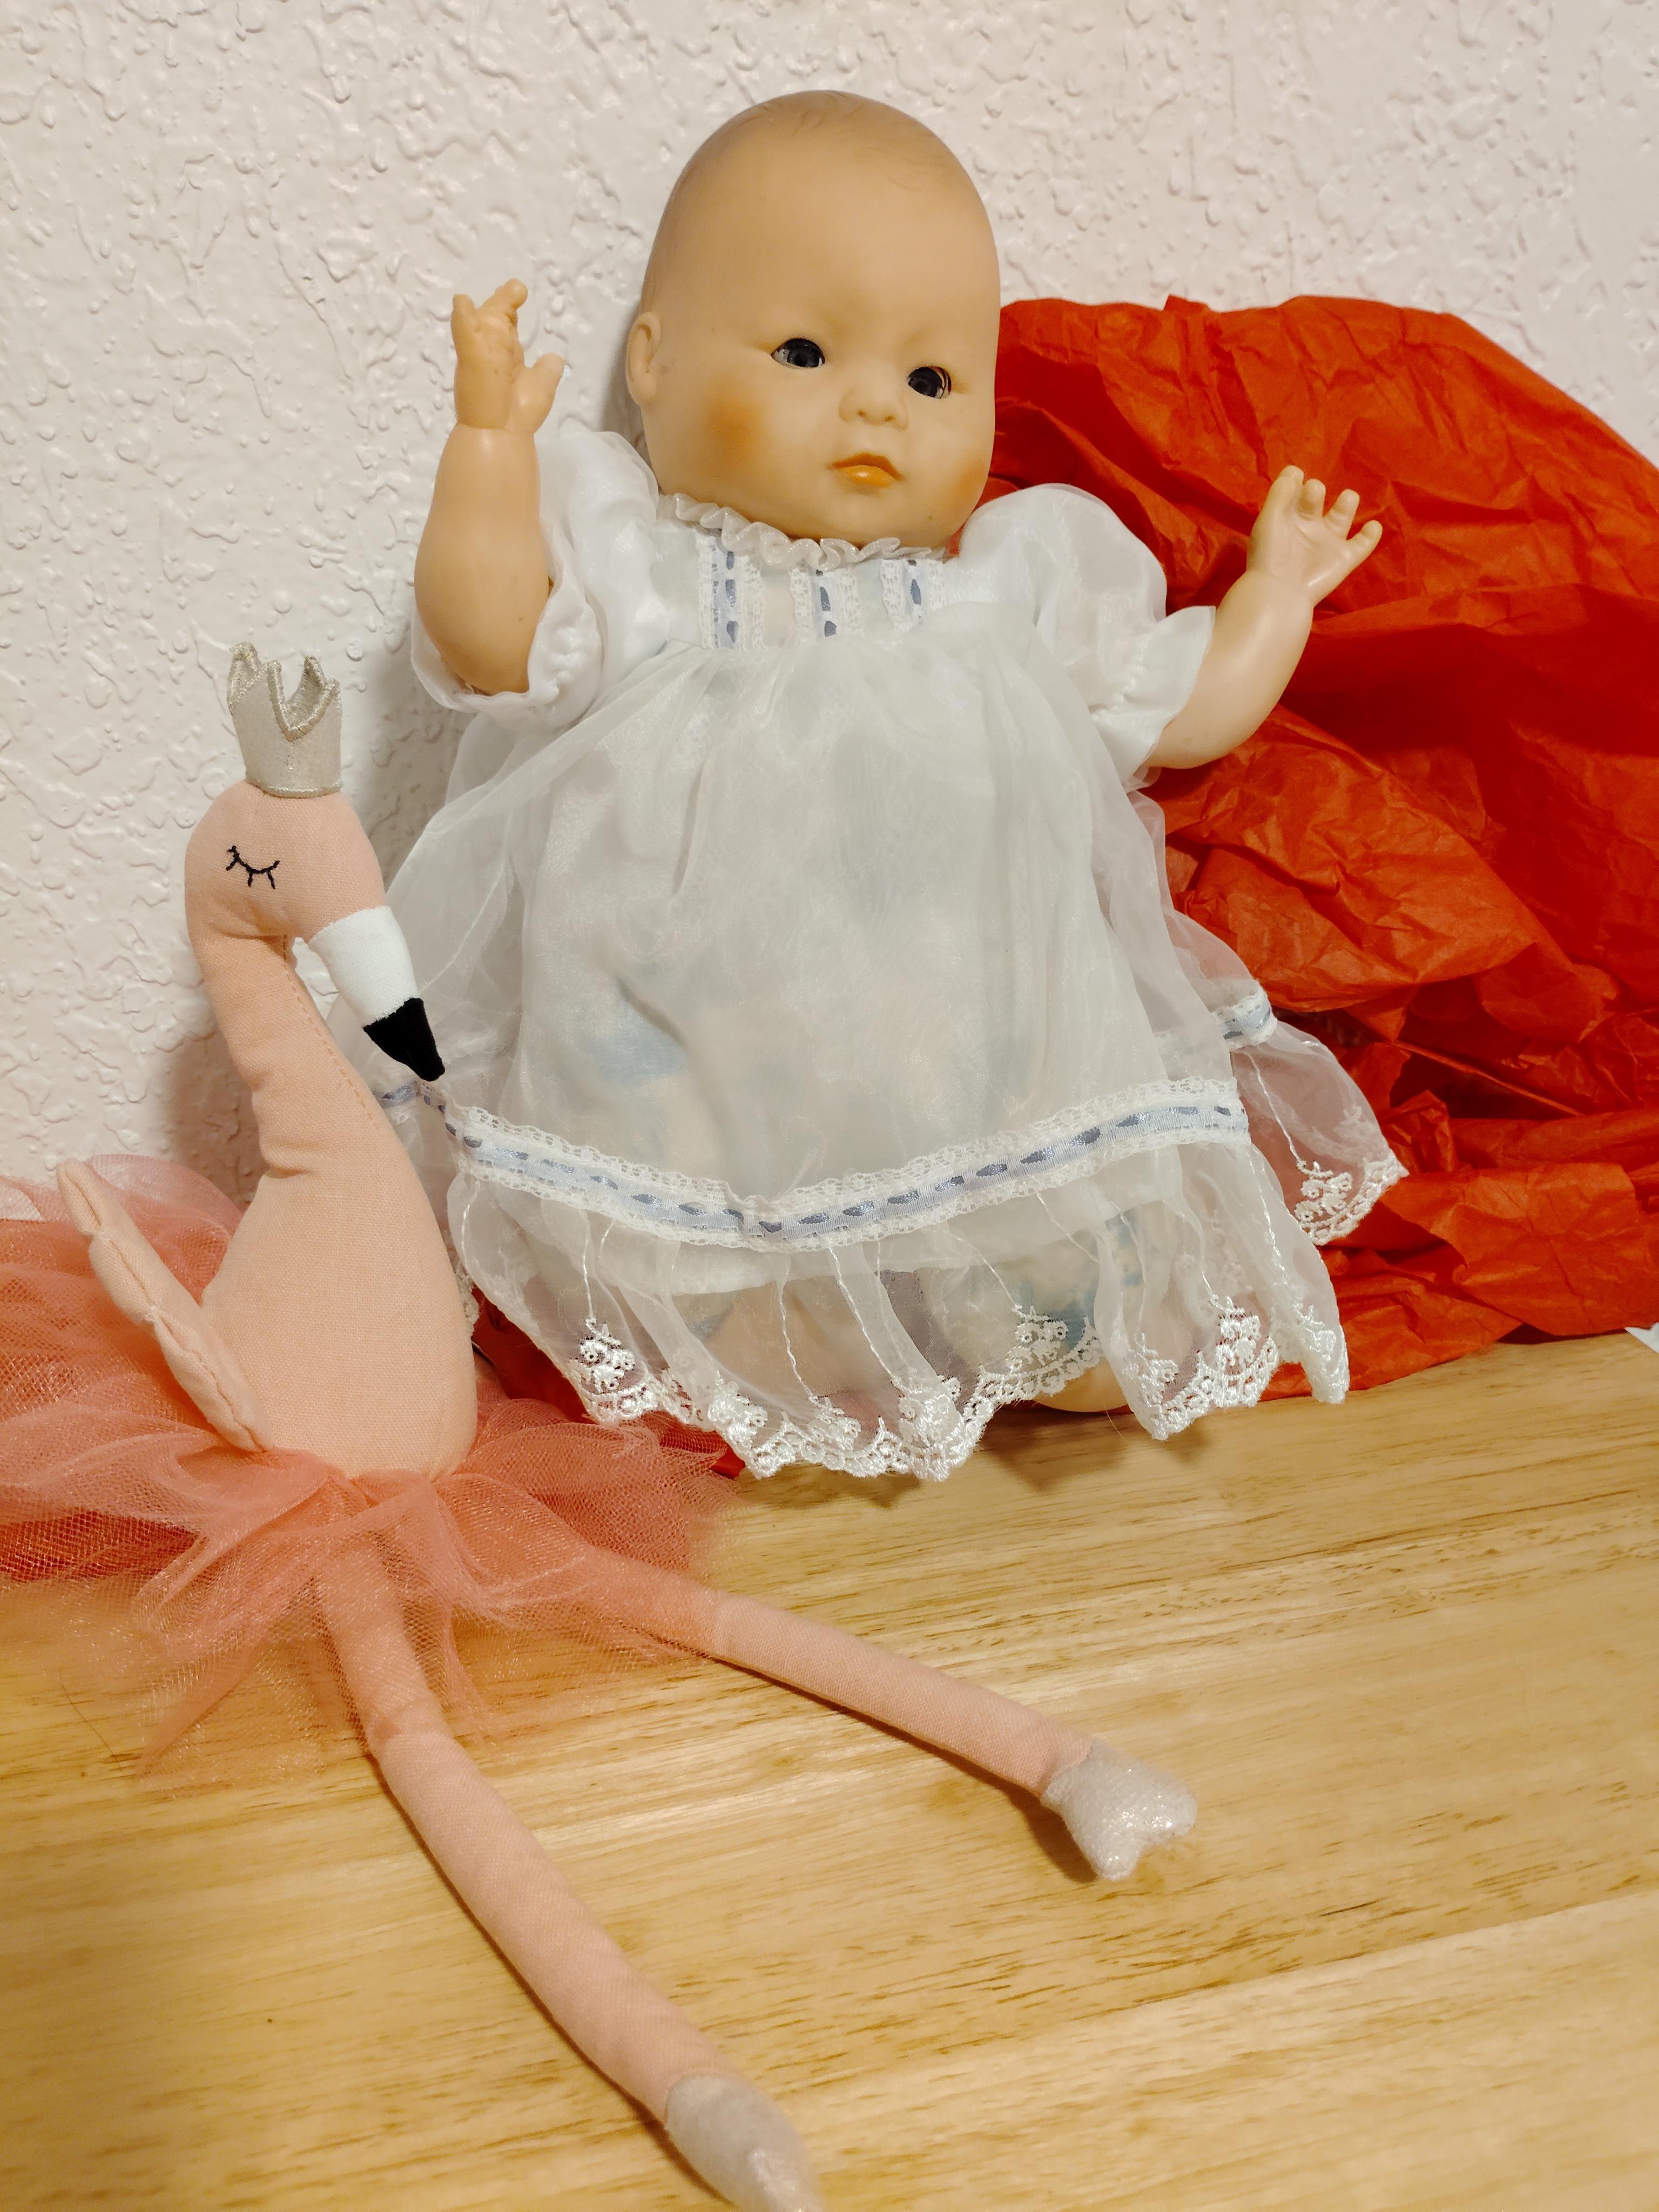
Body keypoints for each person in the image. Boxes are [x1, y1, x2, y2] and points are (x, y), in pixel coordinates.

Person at [367, 91, 1400, 1481]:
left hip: (949, 1044)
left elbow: (1179, 705)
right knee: (676, 1206)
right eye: (805, 350)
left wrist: (1272, 597)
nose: (875, 404)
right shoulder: (645, 573)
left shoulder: (1003, 592)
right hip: (692, 1037)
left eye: (931, 381)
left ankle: (1027, 1300)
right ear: (654, 364)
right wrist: (487, 450)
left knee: (1034, 1208)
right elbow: (490, 641)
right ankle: (747, 1307)